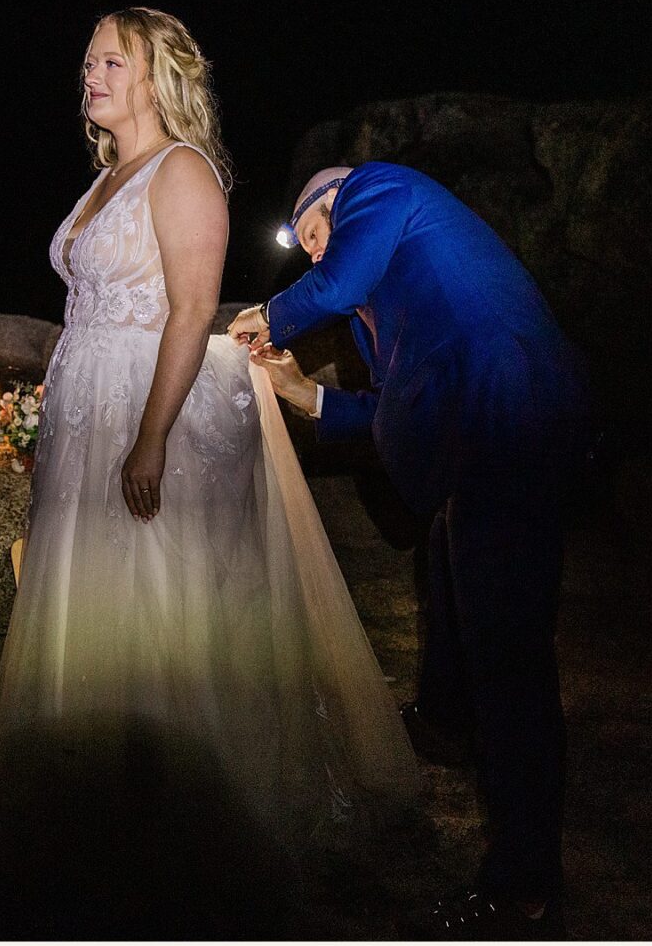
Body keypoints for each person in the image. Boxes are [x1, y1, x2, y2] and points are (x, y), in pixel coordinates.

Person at [0, 10, 422, 938]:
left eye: (110, 59)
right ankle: (90, 798)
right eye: (86, 59)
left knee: (164, 608)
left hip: (148, 403)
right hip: (88, 402)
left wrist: (151, 435)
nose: (90, 73)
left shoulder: (183, 172)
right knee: (91, 605)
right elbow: (90, 303)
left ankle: (193, 818)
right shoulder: (105, 178)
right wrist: (55, 406)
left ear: (156, 74)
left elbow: (194, 306)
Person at [230, 162, 593, 939]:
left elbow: (325, 288)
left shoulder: (382, 189)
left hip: (508, 418)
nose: (318, 253)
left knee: (511, 662)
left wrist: (263, 316)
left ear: (334, 198)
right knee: (445, 567)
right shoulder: (386, 297)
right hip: (480, 440)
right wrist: (303, 393)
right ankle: (444, 721)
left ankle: (523, 889)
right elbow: (393, 408)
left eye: (314, 233)